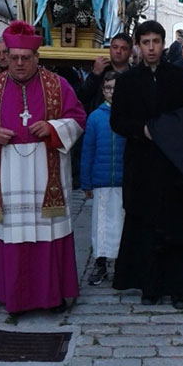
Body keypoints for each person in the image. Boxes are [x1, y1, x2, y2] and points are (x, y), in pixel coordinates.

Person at [0, 20, 86, 314]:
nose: (19, 64)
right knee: (14, 235)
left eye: (25, 58)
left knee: (49, 235)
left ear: (37, 58)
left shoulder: (58, 85)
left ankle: (53, 296)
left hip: (48, 173)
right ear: (6, 56)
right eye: (13, 58)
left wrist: (53, 127)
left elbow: (78, 119)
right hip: (8, 173)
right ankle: (15, 297)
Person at [111, 20, 183, 310]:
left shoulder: (180, 77)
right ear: (138, 45)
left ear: (163, 43)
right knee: (145, 222)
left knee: (176, 222)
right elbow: (118, 120)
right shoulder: (127, 81)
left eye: (156, 42)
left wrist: (172, 133)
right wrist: (142, 130)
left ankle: (178, 288)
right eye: (145, 42)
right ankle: (149, 285)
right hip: (142, 163)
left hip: (174, 163)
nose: (151, 48)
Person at [80, 72, 126, 286]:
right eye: (108, 88)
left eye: (116, 88)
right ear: (103, 90)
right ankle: (100, 262)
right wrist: (86, 180)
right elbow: (88, 150)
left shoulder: (128, 115)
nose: (112, 93)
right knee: (101, 223)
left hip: (123, 180)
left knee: (121, 222)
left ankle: (121, 262)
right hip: (102, 180)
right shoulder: (96, 117)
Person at [77, 33, 133, 113]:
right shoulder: (100, 71)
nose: (118, 51)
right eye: (115, 47)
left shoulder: (136, 75)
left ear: (130, 52)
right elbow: (82, 98)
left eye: (123, 48)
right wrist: (94, 74)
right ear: (110, 49)